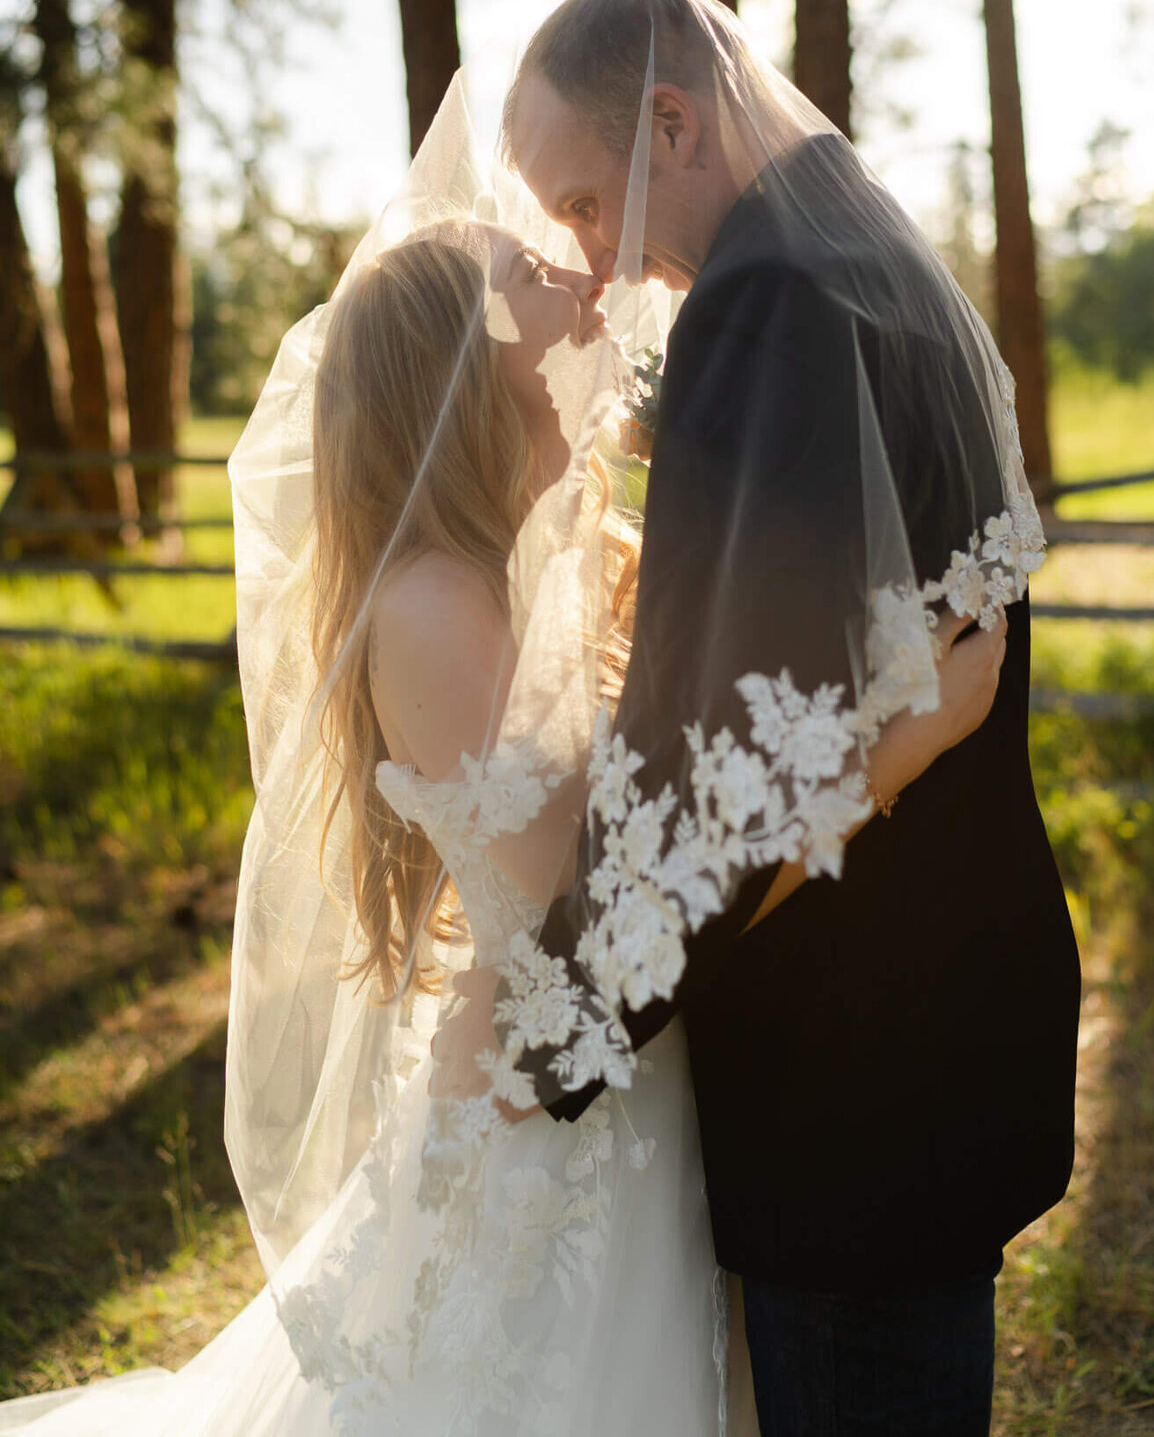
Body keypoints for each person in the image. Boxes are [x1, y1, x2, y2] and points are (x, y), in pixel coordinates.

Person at [0, 122, 1006, 1433]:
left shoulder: (547, 551)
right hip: (553, 1129)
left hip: (646, 1094)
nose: (580, 275)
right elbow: (612, 909)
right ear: (464, 359)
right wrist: (896, 750)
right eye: (531, 273)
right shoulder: (431, 605)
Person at [432, 0, 1082, 1437]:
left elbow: (723, 748)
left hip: (852, 1073)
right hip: (949, 1006)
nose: (592, 260)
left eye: (586, 204)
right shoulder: (867, 246)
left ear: (673, 122)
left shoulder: (765, 299)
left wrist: (559, 1023)